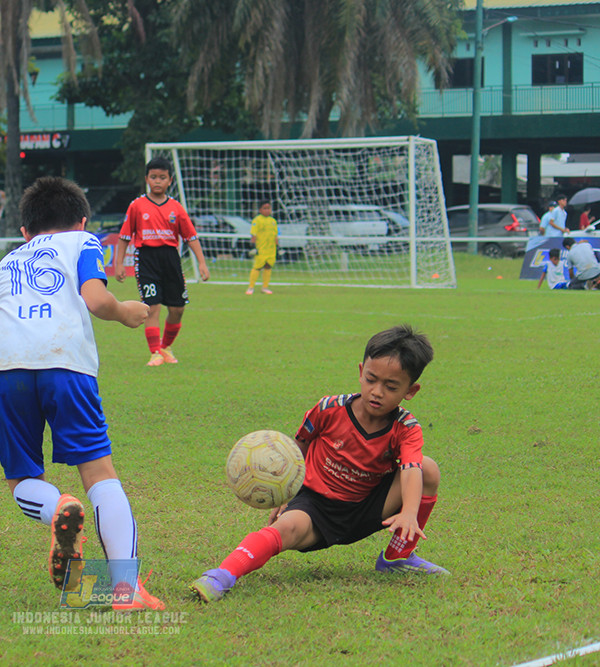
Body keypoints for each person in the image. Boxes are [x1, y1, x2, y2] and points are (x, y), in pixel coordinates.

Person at [0, 176, 164, 611]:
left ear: (25, 232)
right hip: (64, 364)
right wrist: (125, 312)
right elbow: (96, 299)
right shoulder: (84, 243)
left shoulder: (3, 266)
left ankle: (58, 505)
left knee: (23, 480)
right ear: (83, 222)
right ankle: (125, 591)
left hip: (3, 370)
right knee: (99, 474)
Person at [191, 324, 448, 603]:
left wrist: (409, 512)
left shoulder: (406, 427)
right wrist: (285, 492)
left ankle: (397, 557)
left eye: (391, 386)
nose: (377, 391)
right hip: (316, 507)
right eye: (371, 379)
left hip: (367, 508)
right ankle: (222, 575)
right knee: (285, 529)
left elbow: (411, 469)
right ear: (361, 371)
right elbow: (296, 448)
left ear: (411, 391)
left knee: (428, 468)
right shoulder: (328, 409)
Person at [113, 157, 210, 367]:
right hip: (146, 258)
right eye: (154, 177)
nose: (158, 181)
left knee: (177, 310)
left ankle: (165, 347)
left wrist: (201, 263)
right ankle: (154, 352)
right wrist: (119, 263)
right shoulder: (137, 206)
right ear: (147, 178)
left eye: (162, 177)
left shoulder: (176, 208)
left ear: (170, 181)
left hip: (171, 259)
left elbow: (191, 237)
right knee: (152, 306)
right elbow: (124, 236)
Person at [246, 200, 278, 295]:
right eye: (265, 208)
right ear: (260, 210)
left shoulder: (273, 221)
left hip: (271, 249)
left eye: (268, 208)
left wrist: (278, 247)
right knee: (257, 267)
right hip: (261, 249)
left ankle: (265, 287)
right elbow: (253, 234)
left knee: (268, 267)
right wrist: (252, 246)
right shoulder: (257, 220)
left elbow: (275, 235)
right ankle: (251, 287)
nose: (267, 210)